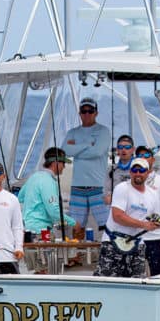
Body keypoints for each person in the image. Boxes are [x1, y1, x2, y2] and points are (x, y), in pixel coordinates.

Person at [94, 158, 160, 278]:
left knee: (139, 282)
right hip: (113, 243)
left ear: (148, 172)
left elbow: (151, 217)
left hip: (136, 244)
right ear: (130, 172)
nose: (138, 173)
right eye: (135, 170)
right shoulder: (122, 188)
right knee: (106, 282)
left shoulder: (152, 194)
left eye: (141, 170)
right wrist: (144, 225)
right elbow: (117, 216)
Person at [18, 147, 75, 272]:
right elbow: (54, 212)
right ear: (56, 163)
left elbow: (20, 197)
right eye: (63, 163)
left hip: (28, 232)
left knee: (38, 270)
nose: (64, 167)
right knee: (46, 271)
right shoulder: (48, 181)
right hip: (41, 233)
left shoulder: (34, 177)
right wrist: (72, 223)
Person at [63, 95, 112, 235]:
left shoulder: (103, 131)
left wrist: (76, 149)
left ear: (96, 113)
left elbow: (97, 151)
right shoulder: (72, 132)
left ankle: (108, 253)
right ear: (79, 113)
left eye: (90, 111)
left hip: (99, 187)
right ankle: (77, 255)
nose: (87, 114)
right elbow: (65, 150)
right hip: (77, 186)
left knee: (106, 225)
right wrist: (86, 144)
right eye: (83, 111)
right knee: (76, 226)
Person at [135, 145, 160, 275]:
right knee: (134, 278)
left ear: (153, 160)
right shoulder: (128, 184)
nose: (143, 158)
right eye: (140, 156)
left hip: (158, 240)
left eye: (146, 156)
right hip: (135, 239)